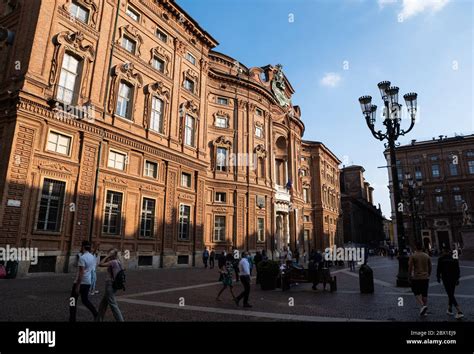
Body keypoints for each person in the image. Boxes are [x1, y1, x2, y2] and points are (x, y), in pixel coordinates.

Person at [69, 241, 98, 322]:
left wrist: (77, 285)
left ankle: (72, 319)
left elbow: (81, 272)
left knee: (72, 301)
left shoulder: (82, 258)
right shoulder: (92, 256)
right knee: (85, 300)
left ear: (83, 247)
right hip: (88, 282)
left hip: (80, 282)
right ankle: (96, 314)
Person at [96, 249, 124, 322]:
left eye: (109, 253)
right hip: (114, 284)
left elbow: (100, 264)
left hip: (110, 284)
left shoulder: (113, 262)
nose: (107, 254)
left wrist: (107, 256)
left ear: (112, 255)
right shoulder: (119, 262)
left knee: (113, 305)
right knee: (103, 304)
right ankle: (98, 319)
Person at [437, 247, 464, 319]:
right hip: (454, 279)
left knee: (450, 294)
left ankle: (459, 311)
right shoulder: (454, 258)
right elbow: (458, 269)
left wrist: (438, 278)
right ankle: (449, 309)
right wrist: (457, 279)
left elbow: (438, 270)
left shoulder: (441, 259)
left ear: (443, 251)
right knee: (451, 293)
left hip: (446, 279)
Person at [408, 242, 432, 316]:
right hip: (425, 277)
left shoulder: (413, 256)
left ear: (415, 247)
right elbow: (430, 266)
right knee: (424, 294)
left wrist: (409, 276)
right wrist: (428, 274)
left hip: (416, 277)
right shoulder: (426, 256)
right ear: (422, 247)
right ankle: (425, 311)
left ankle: (423, 306)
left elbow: (410, 267)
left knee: (416, 292)